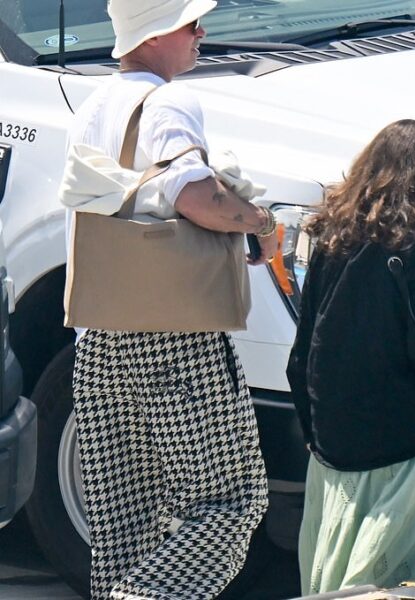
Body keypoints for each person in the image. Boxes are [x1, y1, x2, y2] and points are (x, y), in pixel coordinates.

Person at [64, 0, 278, 598]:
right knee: (228, 505)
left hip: (99, 341)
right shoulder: (169, 100)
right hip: (176, 339)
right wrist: (259, 223)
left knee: (125, 534)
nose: (201, 32)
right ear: (156, 33)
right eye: (190, 23)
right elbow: (197, 196)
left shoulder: (92, 107)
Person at [286, 119, 415, 595]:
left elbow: (304, 350)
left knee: (340, 568)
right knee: (391, 574)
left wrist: (312, 430)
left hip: (337, 438)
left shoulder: (331, 237)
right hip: (409, 436)